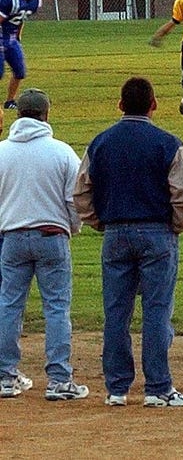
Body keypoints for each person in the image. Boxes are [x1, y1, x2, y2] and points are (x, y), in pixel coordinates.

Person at [74, 76, 183, 408]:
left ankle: (116, 388)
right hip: (156, 231)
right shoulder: (168, 143)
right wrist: (175, 225)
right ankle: (157, 387)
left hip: (115, 232)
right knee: (156, 311)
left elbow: (81, 191)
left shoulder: (100, 142)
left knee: (116, 311)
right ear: (154, 105)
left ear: (120, 105)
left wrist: (100, 221)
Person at [0, 88, 86, 401]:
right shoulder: (61, 152)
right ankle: (59, 379)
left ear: (18, 114)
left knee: (9, 305)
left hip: (11, 236)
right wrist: (71, 229)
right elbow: (74, 201)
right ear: (46, 114)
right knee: (56, 307)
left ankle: (5, 376)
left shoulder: (2, 152)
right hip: (52, 235)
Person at [0, 0, 43, 112]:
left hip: (12, 38)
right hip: (1, 36)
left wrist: (18, 37)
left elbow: (21, 19)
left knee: (20, 71)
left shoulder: (34, 0)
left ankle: (10, 101)